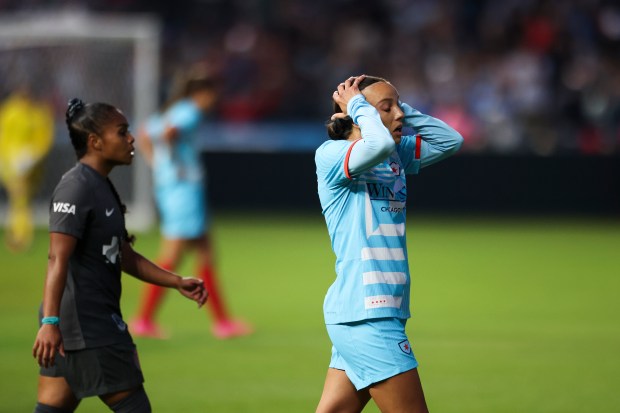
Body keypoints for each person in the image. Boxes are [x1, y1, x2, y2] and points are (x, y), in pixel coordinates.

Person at [31, 98, 208, 413]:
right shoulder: (76, 188)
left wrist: (175, 281)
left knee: (51, 409)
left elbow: (123, 254)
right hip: (88, 327)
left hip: (77, 325)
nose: (132, 138)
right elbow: (56, 259)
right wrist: (49, 322)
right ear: (95, 142)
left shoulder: (102, 186)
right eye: (122, 131)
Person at [314, 75, 463, 413]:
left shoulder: (395, 154)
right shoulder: (332, 154)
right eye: (388, 108)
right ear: (357, 114)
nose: (399, 116)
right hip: (368, 314)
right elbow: (376, 144)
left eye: (399, 107)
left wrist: (394, 106)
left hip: (378, 311)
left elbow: (450, 140)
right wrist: (360, 107)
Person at [130, 65, 252, 339]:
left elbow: (145, 133)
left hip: (176, 188)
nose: (215, 100)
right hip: (182, 191)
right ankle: (144, 319)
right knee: (172, 256)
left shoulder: (173, 109)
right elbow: (169, 133)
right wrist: (173, 164)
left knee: (205, 253)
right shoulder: (189, 112)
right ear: (202, 93)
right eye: (213, 94)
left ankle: (222, 322)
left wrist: (158, 164)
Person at [0, 88, 54, 251]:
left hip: (29, 164)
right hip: (13, 162)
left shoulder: (38, 114)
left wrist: (31, 156)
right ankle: (21, 235)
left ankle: (19, 234)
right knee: (20, 199)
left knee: (21, 201)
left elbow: (44, 139)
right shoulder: (11, 111)